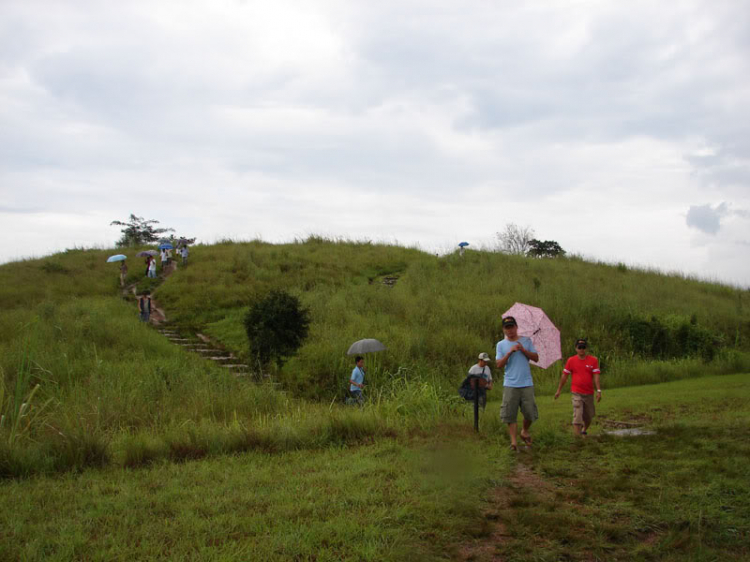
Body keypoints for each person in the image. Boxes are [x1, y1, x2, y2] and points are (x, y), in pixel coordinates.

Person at [496, 315, 540, 451]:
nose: (510, 330)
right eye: (507, 328)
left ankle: (525, 431)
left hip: (526, 382)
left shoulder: (526, 341)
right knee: (510, 413)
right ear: (504, 330)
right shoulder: (501, 345)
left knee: (530, 412)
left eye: (512, 327)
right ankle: (514, 442)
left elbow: (536, 358)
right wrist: (509, 353)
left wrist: (523, 350)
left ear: (516, 327)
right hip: (510, 383)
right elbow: (499, 364)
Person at [554, 338, 602, 437]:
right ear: (576, 348)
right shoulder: (571, 360)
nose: (581, 349)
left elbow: (596, 376)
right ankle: (577, 439)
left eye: (583, 347)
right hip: (576, 392)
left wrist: (598, 390)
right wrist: (559, 390)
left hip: (589, 393)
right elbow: (564, 376)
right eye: (579, 347)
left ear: (586, 348)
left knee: (588, 417)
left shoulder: (593, 360)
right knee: (577, 414)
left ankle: (583, 430)